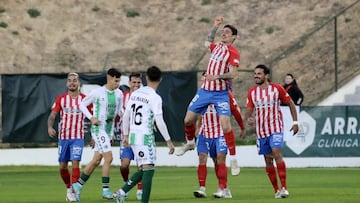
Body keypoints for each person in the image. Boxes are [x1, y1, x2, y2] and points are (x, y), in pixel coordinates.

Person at [176, 16, 241, 175]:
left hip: (220, 93)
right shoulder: (217, 46)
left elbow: (234, 73)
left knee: (225, 126)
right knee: (188, 120)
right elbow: (207, 41)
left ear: (233, 37)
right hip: (205, 90)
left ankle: (233, 159)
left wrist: (217, 76)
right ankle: (190, 143)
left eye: (227, 32)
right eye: (223, 31)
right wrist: (215, 26)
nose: (224, 34)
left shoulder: (232, 51)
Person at [113, 66, 175, 203]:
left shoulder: (136, 94)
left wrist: (125, 135)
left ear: (146, 78)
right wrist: (168, 141)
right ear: (161, 79)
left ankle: (122, 192)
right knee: (149, 169)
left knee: (145, 169)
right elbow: (159, 120)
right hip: (145, 137)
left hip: (134, 137)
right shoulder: (155, 97)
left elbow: (126, 115)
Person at [245, 64, 299, 199]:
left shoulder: (277, 89)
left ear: (266, 75)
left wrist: (295, 122)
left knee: (276, 152)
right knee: (268, 160)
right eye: (255, 74)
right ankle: (276, 190)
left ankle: (285, 188)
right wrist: (249, 118)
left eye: (259, 73)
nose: (256, 76)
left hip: (275, 127)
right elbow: (249, 110)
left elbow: (291, 103)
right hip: (261, 131)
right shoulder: (252, 92)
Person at [71, 68, 123, 201]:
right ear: (109, 78)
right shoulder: (97, 92)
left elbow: (119, 112)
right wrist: (91, 117)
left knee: (96, 161)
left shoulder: (119, 94)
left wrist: (125, 118)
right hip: (98, 129)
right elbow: (82, 104)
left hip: (108, 131)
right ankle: (105, 190)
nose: (117, 83)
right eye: (115, 80)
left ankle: (77, 187)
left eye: (119, 81)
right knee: (109, 158)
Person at [47, 72, 88, 202]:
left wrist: (94, 136)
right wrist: (49, 127)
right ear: (66, 83)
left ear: (79, 83)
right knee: (63, 167)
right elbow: (53, 115)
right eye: (69, 80)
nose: (72, 82)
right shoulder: (61, 98)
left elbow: (94, 116)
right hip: (64, 137)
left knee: (76, 162)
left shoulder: (85, 99)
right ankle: (68, 188)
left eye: (74, 80)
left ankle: (75, 192)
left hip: (77, 137)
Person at [193, 104, 232, 199]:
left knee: (218, 160)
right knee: (202, 156)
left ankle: (223, 188)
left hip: (220, 133)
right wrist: (198, 127)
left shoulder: (224, 95)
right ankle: (202, 188)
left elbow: (233, 110)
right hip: (204, 132)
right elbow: (199, 112)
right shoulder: (203, 95)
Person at [117, 72, 144, 200]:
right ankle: (127, 184)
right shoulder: (123, 97)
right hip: (126, 137)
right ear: (129, 83)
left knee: (141, 165)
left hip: (140, 137)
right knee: (124, 165)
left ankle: (140, 189)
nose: (136, 85)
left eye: (138, 82)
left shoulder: (145, 97)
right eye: (134, 82)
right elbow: (120, 113)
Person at [281, 73, 304, 141]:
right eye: (286, 78)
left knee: (291, 123)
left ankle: (292, 138)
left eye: (289, 78)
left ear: (292, 79)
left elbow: (301, 97)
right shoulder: (283, 87)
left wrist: (297, 104)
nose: (287, 80)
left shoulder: (294, 87)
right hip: (283, 108)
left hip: (291, 109)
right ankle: (285, 138)